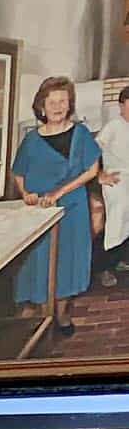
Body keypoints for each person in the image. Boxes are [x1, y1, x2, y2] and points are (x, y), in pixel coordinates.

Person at [11, 75, 102, 336]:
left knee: (68, 262)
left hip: (72, 209)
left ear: (70, 104)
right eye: (53, 102)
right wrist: (26, 193)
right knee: (36, 263)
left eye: (64, 101)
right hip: (39, 211)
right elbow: (19, 172)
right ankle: (35, 314)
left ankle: (61, 314)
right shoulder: (31, 140)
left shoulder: (80, 133)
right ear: (41, 106)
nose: (59, 106)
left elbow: (92, 169)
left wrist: (60, 191)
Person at [97, 84, 129, 284]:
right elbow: (92, 151)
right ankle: (103, 267)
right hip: (115, 179)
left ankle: (120, 259)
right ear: (120, 106)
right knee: (118, 214)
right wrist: (99, 175)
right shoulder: (113, 126)